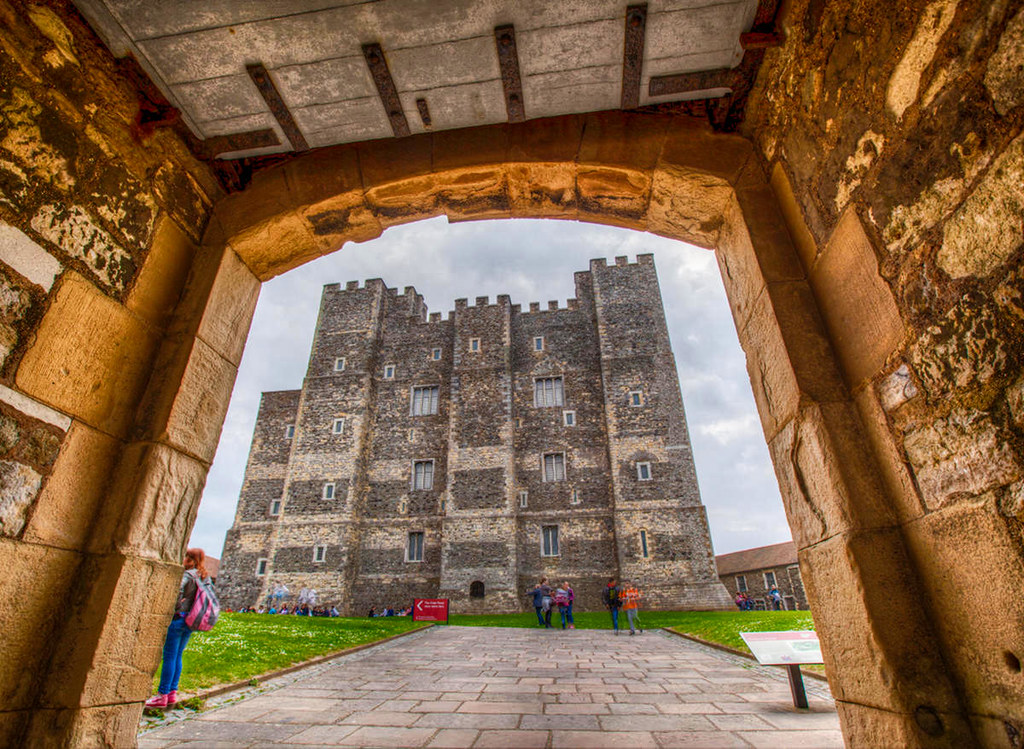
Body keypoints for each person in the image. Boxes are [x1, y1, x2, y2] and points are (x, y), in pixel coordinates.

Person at [145, 548, 211, 709]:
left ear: (189, 558)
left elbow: (177, 590)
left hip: (179, 618)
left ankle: (162, 695)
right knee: (177, 656)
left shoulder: (188, 574)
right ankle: (172, 692)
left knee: (169, 656)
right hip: (191, 619)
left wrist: (175, 607)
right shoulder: (204, 576)